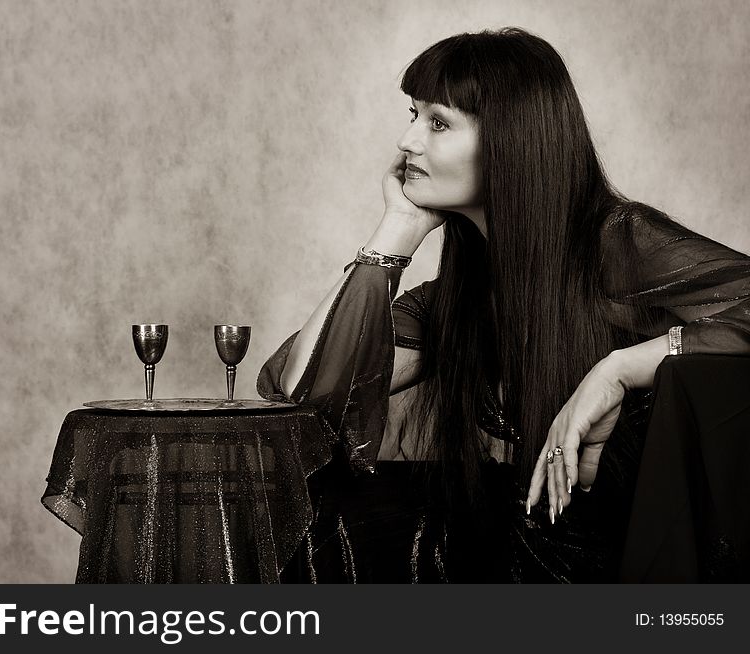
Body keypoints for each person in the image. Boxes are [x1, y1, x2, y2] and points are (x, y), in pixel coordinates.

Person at [257, 27, 750, 582]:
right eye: (412, 114)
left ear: (510, 142)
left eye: (437, 122)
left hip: (627, 561)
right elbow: (301, 393)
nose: (407, 141)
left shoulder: (617, 242)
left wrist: (621, 369)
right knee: (335, 527)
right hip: (534, 546)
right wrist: (394, 235)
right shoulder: (463, 291)